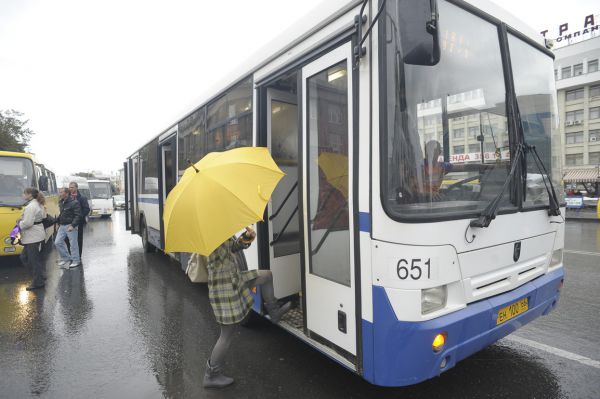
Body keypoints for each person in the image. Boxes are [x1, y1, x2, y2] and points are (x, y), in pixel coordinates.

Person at [203, 226, 291, 389]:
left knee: (266, 275)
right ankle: (211, 375)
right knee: (226, 334)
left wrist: (246, 237)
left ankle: (274, 312)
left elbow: (233, 247)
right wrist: (228, 233)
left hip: (234, 279)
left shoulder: (216, 232)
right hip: (224, 288)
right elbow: (224, 250)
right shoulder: (210, 236)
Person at [18, 187, 47, 291]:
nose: (22, 195)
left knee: (33, 260)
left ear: (29, 194)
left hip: (32, 237)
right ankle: (39, 275)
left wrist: (19, 223)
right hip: (36, 236)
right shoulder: (38, 204)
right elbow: (44, 216)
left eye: (24, 193)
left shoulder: (31, 206)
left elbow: (28, 223)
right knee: (25, 257)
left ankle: (38, 282)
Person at [55, 187, 82, 268]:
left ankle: (76, 260)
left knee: (73, 244)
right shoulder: (61, 202)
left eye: (61, 192)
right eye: (59, 192)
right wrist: (56, 221)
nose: (59, 194)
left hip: (70, 225)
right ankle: (66, 257)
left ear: (66, 193)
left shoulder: (74, 203)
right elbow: (62, 214)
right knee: (57, 242)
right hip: (62, 226)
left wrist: (73, 225)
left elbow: (78, 215)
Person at [68, 181, 90, 258]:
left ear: (76, 188)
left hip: (78, 222)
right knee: (68, 239)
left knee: (78, 239)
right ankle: (71, 255)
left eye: (72, 187)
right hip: (68, 222)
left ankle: (78, 256)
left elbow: (86, 209)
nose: (70, 189)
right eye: (69, 187)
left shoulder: (82, 198)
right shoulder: (67, 197)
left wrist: (79, 217)